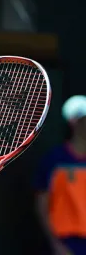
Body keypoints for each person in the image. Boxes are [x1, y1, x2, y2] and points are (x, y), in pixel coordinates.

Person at [34, 95, 86, 255]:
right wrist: (56, 244)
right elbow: (42, 203)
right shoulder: (54, 160)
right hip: (67, 244)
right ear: (74, 122)